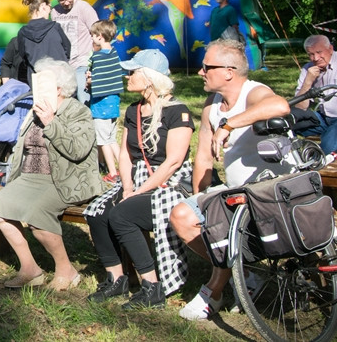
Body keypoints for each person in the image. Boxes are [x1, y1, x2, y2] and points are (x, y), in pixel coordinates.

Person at [169, 38, 291, 321]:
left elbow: (280, 105)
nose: (200, 72)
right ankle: (245, 273)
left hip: (269, 191)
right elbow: (203, 158)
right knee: (182, 216)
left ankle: (215, 290)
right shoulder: (212, 105)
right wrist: (199, 199)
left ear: (228, 71)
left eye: (206, 67)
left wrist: (230, 124)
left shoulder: (253, 92)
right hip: (235, 192)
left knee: (220, 225)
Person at [84, 49, 194, 309]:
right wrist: (128, 186)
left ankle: (152, 286)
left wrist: (139, 191)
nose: (127, 76)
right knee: (96, 213)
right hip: (137, 178)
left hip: (171, 183)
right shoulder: (134, 110)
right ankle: (117, 278)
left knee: (122, 214)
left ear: (149, 78)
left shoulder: (178, 112)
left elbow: (174, 162)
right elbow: (124, 153)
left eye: (133, 72)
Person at [0, 58, 102, 289]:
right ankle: (30, 269)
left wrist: (51, 122)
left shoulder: (78, 112)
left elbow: (77, 151)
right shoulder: (35, 111)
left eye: (42, 84)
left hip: (64, 179)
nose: (36, 88)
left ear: (59, 89)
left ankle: (66, 270)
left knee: (37, 216)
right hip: (29, 177)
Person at [51, 0, 99, 103]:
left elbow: (98, 34)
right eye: (62, 0)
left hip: (83, 63)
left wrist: (95, 62)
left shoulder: (84, 8)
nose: (66, 3)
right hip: (64, 65)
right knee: (65, 102)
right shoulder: (54, 12)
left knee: (83, 99)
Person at [7, 0, 70, 85]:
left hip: (37, 82)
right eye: (50, 7)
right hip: (60, 80)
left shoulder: (23, 32)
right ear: (43, 6)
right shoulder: (55, 28)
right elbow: (67, 50)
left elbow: (24, 57)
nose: (50, 11)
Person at [87, 19, 123, 182]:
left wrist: (89, 80)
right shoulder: (114, 53)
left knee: (103, 141)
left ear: (100, 37)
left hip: (101, 106)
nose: (92, 39)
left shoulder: (99, 57)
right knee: (112, 139)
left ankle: (113, 172)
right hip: (113, 103)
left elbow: (98, 81)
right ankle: (124, 168)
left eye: (93, 36)